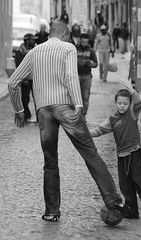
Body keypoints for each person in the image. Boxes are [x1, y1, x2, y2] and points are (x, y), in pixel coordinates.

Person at [8, 20, 127, 223]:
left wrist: (19, 109)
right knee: (89, 152)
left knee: (50, 162)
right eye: (69, 35)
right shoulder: (67, 48)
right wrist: (78, 104)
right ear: (64, 34)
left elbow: (12, 82)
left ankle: (52, 212)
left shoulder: (34, 52)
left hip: (43, 111)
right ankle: (113, 201)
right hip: (65, 107)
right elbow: (71, 75)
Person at [90, 81, 141, 219]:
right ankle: (132, 211)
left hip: (134, 153)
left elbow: (138, 102)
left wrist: (132, 91)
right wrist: (85, 134)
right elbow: (100, 130)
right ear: (116, 103)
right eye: (120, 103)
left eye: (125, 104)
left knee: (139, 181)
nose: (122, 106)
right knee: (125, 185)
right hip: (121, 156)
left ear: (129, 105)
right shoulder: (113, 120)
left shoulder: (132, 114)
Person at [14, 33, 37, 122]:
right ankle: (26, 116)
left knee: (38, 99)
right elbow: (19, 66)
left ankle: (40, 117)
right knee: (25, 99)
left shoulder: (35, 49)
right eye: (32, 39)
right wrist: (23, 79)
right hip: (26, 79)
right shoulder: (20, 51)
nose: (34, 41)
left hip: (35, 78)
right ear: (27, 40)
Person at [76, 33, 98, 119]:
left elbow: (96, 64)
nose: (84, 44)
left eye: (86, 42)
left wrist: (90, 63)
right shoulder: (75, 49)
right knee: (76, 96)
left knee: (85, 96)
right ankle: (76, 115)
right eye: (83, 42)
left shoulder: (91, 51)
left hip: (87, 76)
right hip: (76, 76)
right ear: (80, 41)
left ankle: (83, 115)